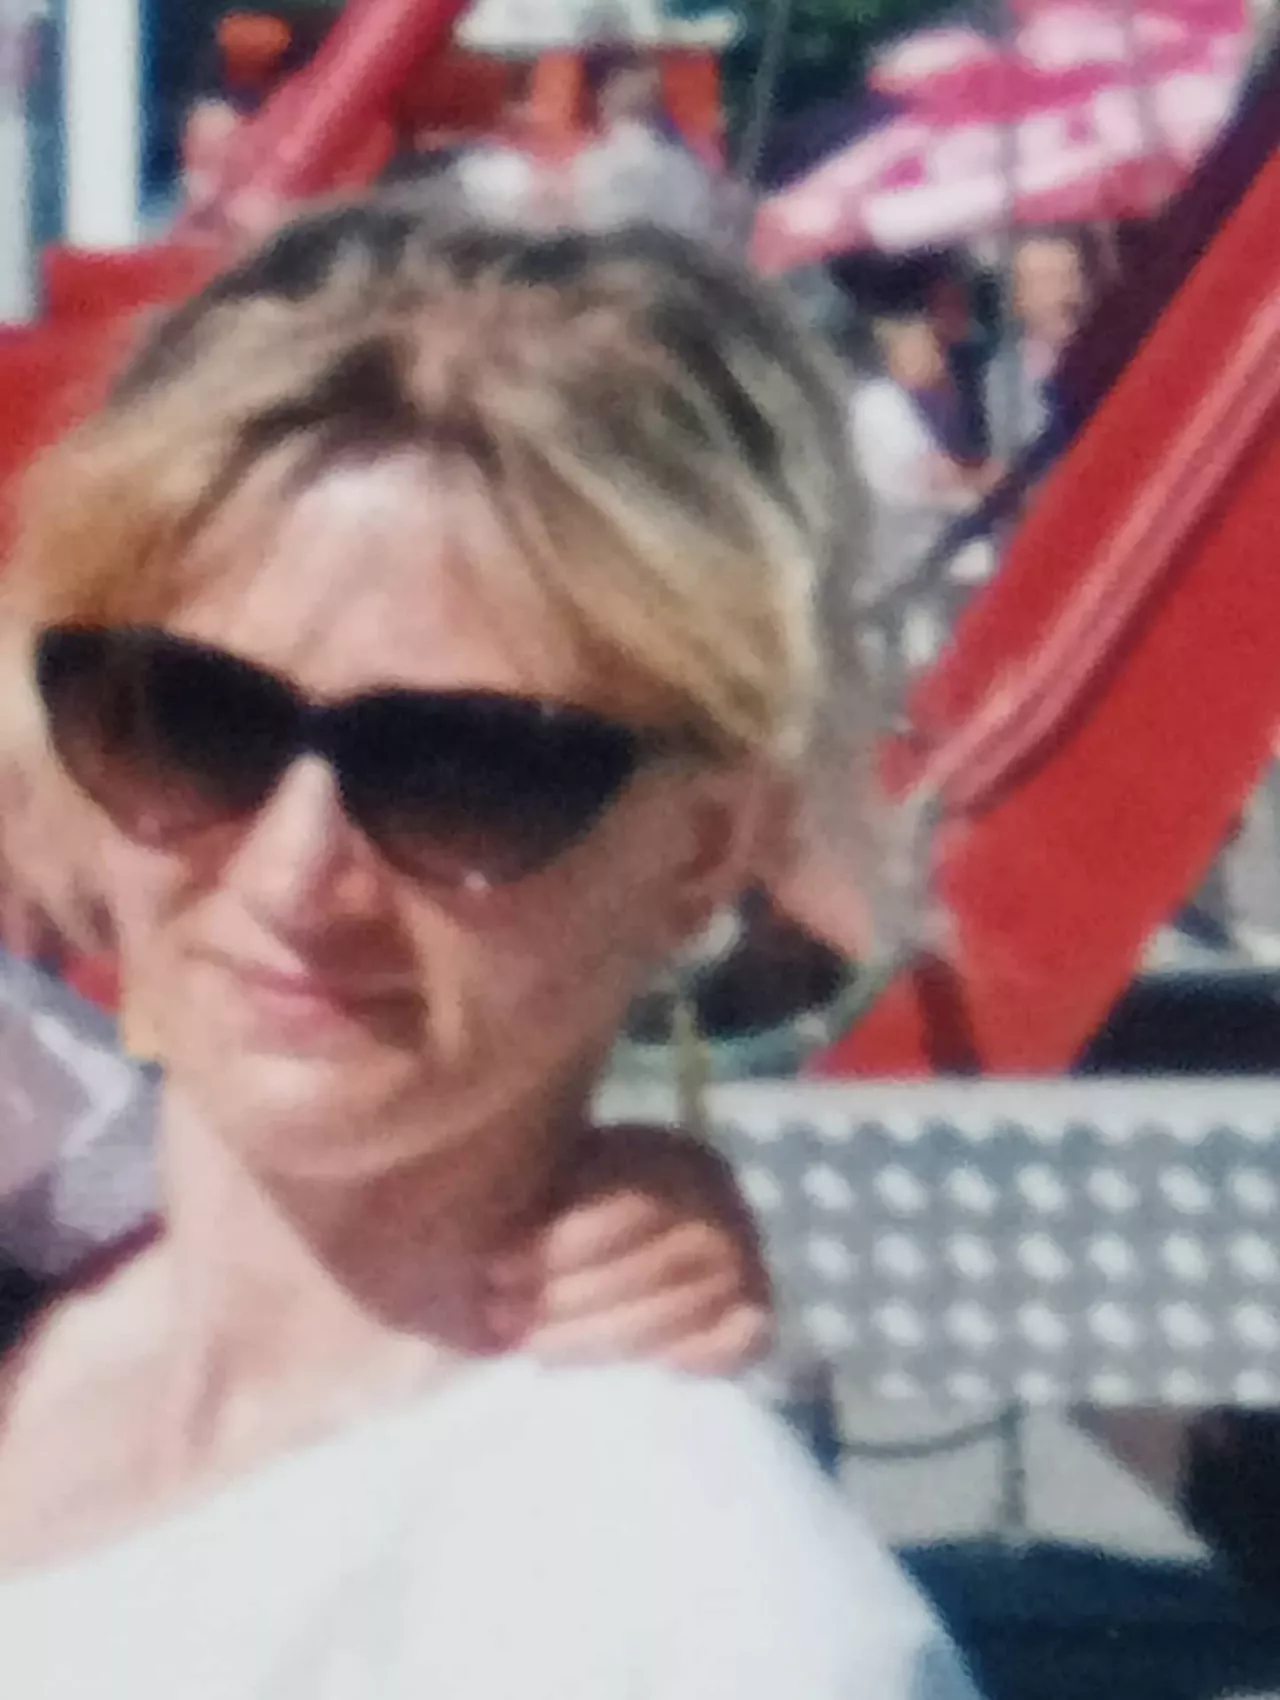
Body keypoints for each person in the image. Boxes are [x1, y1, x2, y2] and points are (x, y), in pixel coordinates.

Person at [0, 199, 979, 1698]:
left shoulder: (694, 1624)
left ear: (704, 848)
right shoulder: (65, 1314)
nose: (296, 874)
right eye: (193, 722)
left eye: (464, 770)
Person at [985, 228, 1095, 463]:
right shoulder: (1006, 377)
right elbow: (1011, 462)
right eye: (1047, 281)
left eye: (1071, 277)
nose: (1064, 293)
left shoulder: (1108, 354)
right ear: (1018, 298)